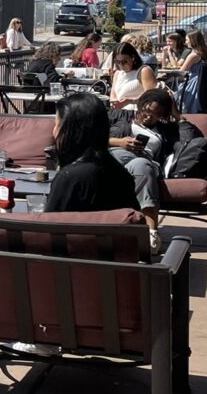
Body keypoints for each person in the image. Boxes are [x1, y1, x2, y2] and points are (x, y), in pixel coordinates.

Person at [44, 92, 140, 214]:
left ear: (71, 131)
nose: (54, 132)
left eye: (57, 125)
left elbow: (50, 222)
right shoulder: (122, 176)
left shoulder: (69, 178)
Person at [108, 89, 177, 251]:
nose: (149, 117)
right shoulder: (121, 118)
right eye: (147, 111)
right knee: (110, 158)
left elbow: (191, 137)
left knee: (142, 165)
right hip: (116, 155)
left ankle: (151, 233)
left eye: (156, 115)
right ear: (140, 105)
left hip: (146, 160)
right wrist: (119, 142)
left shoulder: (165, 130)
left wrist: (177, 114)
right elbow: (92, 136)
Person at [108, 41, 158, 108]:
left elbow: (152, 97)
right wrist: (114, 103)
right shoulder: (117, 73)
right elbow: (113, 95)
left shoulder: (144, 71)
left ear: (133, 58)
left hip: (137, 111)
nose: (121, 65)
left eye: (124, 61)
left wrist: (131, 101)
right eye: (118, 62)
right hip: (119, 112)